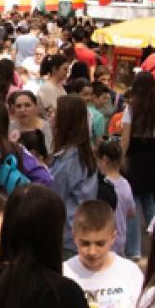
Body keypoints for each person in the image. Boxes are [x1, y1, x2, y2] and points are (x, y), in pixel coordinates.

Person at [121, 71, 155, 250]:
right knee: (150, 200)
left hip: (134, 159)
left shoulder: (131, 108)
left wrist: (120, 159)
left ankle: (134, 248)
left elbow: (125, 140)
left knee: (133, 203)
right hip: (152, 159)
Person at [51, 95, 99, 255]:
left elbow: (54, 196)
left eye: (55, 112)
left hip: (67, 235)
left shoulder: (69, 159)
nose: (51, 116)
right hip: (78, 229)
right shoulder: (80, 152)